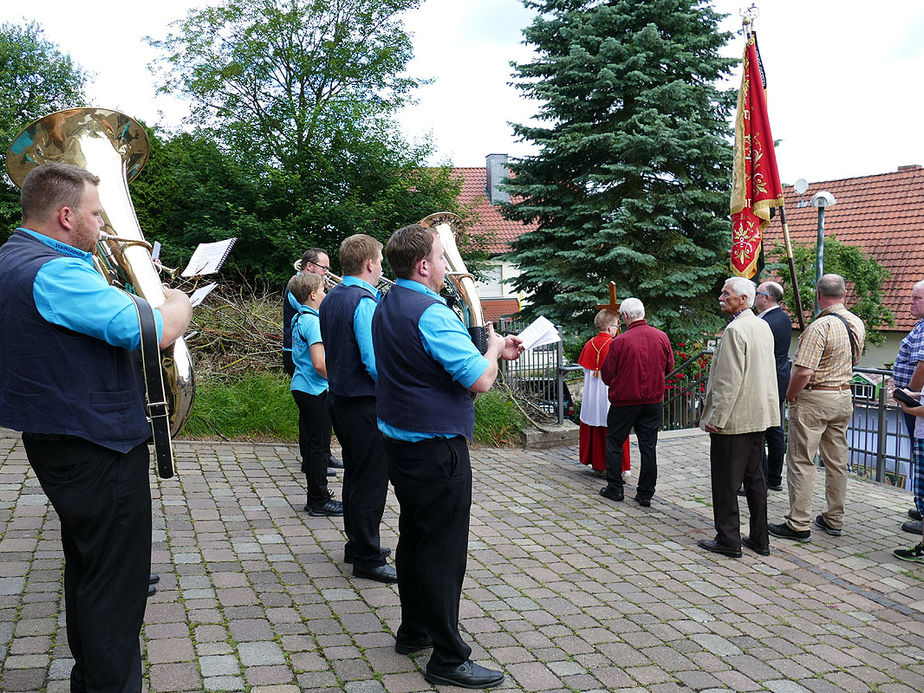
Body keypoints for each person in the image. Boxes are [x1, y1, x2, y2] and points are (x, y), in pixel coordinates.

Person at [0, 163, 192, 692]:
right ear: (66, 216)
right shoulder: (55, 272)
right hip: (96, 445)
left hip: (65, 436)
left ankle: (91, 680)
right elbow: (152, 329)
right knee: (116, 585)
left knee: (90, 568)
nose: (103, 225)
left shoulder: (16, 258)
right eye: (95, 214)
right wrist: (179, 302)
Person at [372, 223, 523, 689]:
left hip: (402, 442)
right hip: (437, 447)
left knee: (415, 537)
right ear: (423, 265)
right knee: (443, 551)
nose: (445, 266)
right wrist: (495, 350)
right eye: (441, 257)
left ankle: (413, 630)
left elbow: (429, 363)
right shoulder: (432, 312)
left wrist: (491, 353)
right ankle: (447, 656)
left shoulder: (386, 302)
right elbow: (479, 379)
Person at [319, 234, 396, 582]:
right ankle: (367, 555)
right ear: (369, 264)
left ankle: (356, 544)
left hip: (339, 397)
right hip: (364, 402)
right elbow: (374, 360)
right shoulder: (364, 301)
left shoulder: (332, 296)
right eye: (380, 260)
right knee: (371, 479)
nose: (381, 266)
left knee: (355, 473)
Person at [769, 274, 865, 542]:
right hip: (844, 396)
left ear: (819, 295)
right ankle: (834, 518)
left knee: (801, 459)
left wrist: (791, 395)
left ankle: (798, 523)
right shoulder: (856, 323)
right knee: (837, 462)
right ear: (844, 294)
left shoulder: (819, 327)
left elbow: (803, 371)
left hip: (816, 398)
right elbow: (855, 359)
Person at [698, 277, 779, 558]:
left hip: (734, 420)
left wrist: (716, 417)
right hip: (758, 415)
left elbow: (728, 381)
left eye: (726, 293)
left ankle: (729, 540)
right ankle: (760, 538)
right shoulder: (762, 325)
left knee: (725, 482)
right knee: (755, 480)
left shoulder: (735, 330)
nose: (721, 297)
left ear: (743, 299)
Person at [599, 297, 673, 507]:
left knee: (614, 443)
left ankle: (615, 488)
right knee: (648, 446)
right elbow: (669, 367)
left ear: (624, 316)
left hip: (624, 401)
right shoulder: (661, 337)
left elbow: (607, 374)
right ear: (643, 313)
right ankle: (645, 493)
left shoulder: (620, 342)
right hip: (652, 400)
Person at [288, 271, 343, 517]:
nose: (325, 294)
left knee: (311, 446)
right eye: (322, 290)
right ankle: (319, 500)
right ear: (312, 295)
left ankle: (314, 497)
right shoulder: (313, 322)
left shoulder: (300, 317)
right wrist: (340, 379)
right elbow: (320, 364)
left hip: (301, 386)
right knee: (320, 447)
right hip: (315, 389)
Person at [576, 309, 630, 477]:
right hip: (608, 395)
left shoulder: (589, 344)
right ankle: (619, 468)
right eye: (616, 325)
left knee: (595, 427)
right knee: (614, 429)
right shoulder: (615, 345)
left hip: (592, 396)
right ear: (608, 327)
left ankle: (598, 465)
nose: (617, 329)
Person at [892, 280, 924, 530]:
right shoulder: (919, 325)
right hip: (915, 401)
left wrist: (910, 393)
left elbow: (922, 364)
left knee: (920, 453)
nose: (910, 302)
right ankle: (921, 505)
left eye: (916, 298)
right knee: (917, 453)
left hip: (917, 402)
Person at [755, 281, 792, 491]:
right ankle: (774, 477)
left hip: (768, 379)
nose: (755, 297)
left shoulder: (767, 322)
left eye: (757, 293)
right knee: (774, 429)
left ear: (766, 297)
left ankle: (763, 477)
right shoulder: (783, 318)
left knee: (761, 429)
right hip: (779, 377)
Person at [283, 247, 330, 376]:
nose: (326, 273)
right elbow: (319, 315)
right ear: (309, 266)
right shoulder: (297, 288)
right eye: (323, 268)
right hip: (297, 352)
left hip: (308, 351)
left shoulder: (312, 288)